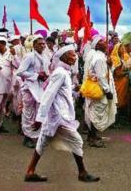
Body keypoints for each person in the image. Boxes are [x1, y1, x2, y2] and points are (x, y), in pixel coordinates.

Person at [24, 45, 100, 183]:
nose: (75, 56)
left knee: (42, 142)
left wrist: (73, 88)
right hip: (59, 116)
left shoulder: (63, 72)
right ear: (64, 57)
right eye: (72, 54)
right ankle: (82, 173)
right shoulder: (60, 72)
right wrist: (39, 118)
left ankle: (30, 171)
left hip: (55, 115)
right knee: (77, 140)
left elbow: (60, 89)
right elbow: (49, 94)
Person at [17, 35, 50, 148]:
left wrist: (46, 76)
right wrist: (36, 75)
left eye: (43, 44)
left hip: (41, 88)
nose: (42, 45)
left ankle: (37, 135)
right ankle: (27, 137)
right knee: (28, 113)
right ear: (34, 45)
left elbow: (47, 70)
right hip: (30, 88)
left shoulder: (46, 57)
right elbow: (20, 72)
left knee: (39, 112)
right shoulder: (29, 56)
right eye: (39, 44)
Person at [84, 36, 117, 147]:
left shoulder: (103, 57)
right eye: (102, 41)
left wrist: (110, 64)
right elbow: (101, 77)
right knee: (96, 113)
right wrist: (107, 91)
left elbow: (108, 72)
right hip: (100, 90)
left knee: (98, 112)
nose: (106, 43)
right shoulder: (98, 58)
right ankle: (92, 138)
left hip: (103, 88)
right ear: (97, 45)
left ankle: (92, 136)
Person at [110, 40, 130, 111]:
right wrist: (128, 73)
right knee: (118, 99)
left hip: (123, 82)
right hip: (118, 82)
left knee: (122, 98)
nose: (123, 49)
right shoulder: (116, 59)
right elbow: (118, 73)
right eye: (121, 48)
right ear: (117, 49)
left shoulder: (123, 57)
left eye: (123, 47)